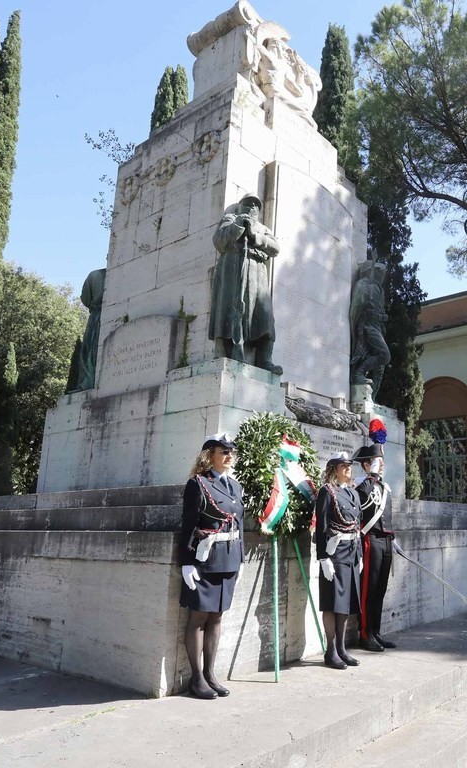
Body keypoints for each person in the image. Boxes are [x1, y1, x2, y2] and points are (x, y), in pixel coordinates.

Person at [179, 433, 245, 699]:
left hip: (227, 559)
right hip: (204, 561)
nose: (229, 457)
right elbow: (188, 524)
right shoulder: (198, 484)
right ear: (210, 456)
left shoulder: (235, 486)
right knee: (198, 618)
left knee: (216, 617)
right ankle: (196, 678)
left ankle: (210, 674)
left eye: (231, 452)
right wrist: (186, 562)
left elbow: (238, 525)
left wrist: (239, 560)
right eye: (223, 452)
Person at [208, 194, 283, 374]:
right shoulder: (230, 219)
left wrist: (255, 235)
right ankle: (227, 351)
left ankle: (265, 360)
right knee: (229, 311)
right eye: (247, 203)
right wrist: (238, 226)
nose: (251, 207)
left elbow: (276, 248)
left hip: (257, 274)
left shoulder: (263, 228)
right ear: (240, 206)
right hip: (232, 271)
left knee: (264, 317)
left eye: (255, 205)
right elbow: (219, 241)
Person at [316, 452, 363, 669]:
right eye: (343, 466)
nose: (348, 469)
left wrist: (360, 555)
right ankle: (330, 650)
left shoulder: (353, 493)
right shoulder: (328, 492)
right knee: (332, 603)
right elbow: (321, 527)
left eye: (349, 466)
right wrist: (323, 557)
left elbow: (357, 527)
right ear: (334, 468)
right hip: (334, 555)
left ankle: (342, 648)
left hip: (351, 553)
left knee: (344, 605)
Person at [354, 443, 397, 652]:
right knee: (368, 590)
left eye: (381, 462)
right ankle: (365, 634)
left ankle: (376, 632)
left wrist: (393, 537)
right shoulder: (363, 484)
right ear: (366, 465)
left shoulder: (383, 487)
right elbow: (360, 502)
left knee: (380, 590)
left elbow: (386, 515)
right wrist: (370, 476)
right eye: (376, 462)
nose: (381, 466)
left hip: (385, 541)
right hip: (370, 539)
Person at [349, 258, 391, 393]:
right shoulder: (363, 284)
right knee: (385, 355)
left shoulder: (379, 289)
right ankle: (358, 373)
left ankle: (372, 398)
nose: (382, 276)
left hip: (378, 325)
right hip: (367, 324)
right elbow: (356, 307)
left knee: (380, 368)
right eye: (379, 273)